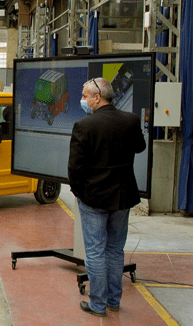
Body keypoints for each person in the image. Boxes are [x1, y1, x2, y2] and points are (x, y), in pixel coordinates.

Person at [68, 77, 146, 317]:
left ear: (97, 98)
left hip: (93, 199)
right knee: (115, 250)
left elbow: (75, 169)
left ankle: (98, 305)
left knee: (95, 251)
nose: (82, 100)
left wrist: (80, 192)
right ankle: (114, 301)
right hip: (122, 198)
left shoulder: (84, 126)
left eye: (84, 96)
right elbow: (139, 147)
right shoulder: (131, 121)